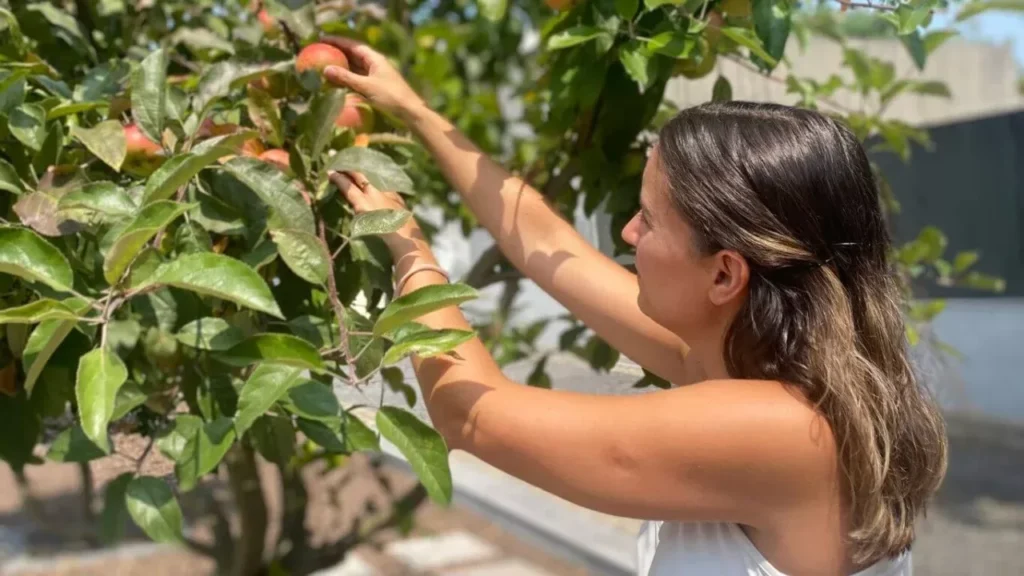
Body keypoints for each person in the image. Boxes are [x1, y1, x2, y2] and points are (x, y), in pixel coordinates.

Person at [317, 36, 947, 576]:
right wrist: (416, 113)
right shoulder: (753, 363)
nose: (626, 234)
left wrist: (406, 247)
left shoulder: (779, 428)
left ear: (725, 273)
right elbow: (545, 243)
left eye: (647, 219)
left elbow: (469, 416)